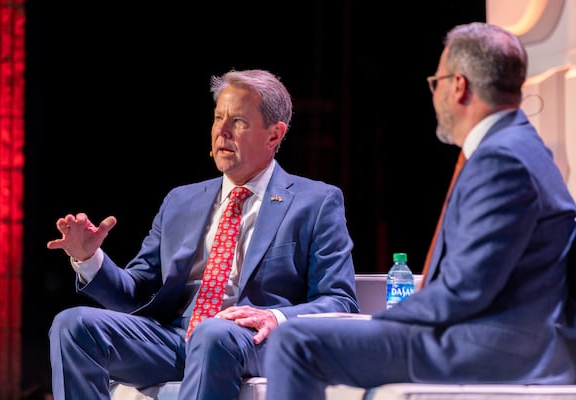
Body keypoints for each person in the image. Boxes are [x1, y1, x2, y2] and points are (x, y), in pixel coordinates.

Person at [263, 22, 576, 400]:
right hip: (495, 337)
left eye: (435, 81)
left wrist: (381, 322)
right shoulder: (520, 146)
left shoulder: (502, 159)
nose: (434, 94)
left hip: (491, 347)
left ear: (458, 85)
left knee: (295, 340)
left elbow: (464, 291)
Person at [47, 68, 359, 400]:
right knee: (73, 325)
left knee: (212, 334)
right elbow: (138, 295)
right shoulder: (181, 201)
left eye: (238, 121)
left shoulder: (316, 202)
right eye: (218, 118)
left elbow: (340, 301)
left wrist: (274, 315)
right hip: (172, 340)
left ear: (274, 135)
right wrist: (90, 259)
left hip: (253, 341)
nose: (221, 131)